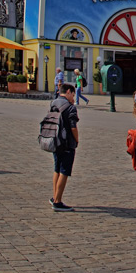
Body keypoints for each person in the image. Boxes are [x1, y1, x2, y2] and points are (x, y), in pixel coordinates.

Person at [49, 83, 79, 211]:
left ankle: (54, 196)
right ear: (68, 92)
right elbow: (73, 126)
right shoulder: (70, 107)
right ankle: (58, 201)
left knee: (57, 169)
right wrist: (77, 140)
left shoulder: (53, 103)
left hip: (55, 140)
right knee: (64, 171)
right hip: (66, 143)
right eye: (73, 94)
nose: (73, 97)